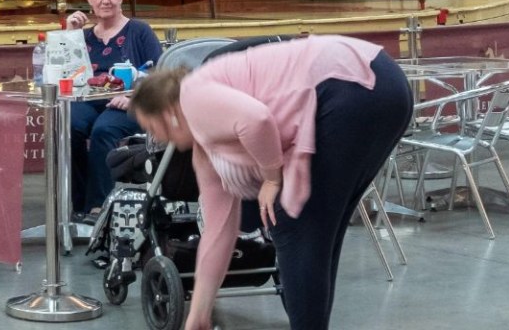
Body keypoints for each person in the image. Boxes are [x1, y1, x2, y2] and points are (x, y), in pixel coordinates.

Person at [128, 35, 414, 330]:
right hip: (382, 84)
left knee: (291, 220)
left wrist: (271, 177)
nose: (158, 139)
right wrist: (198, 314)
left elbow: (257, 120)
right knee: (316, 234)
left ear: (167, 113)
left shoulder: (192, 96)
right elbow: (218, 233)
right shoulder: (207, 151)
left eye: (152, 127)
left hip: (352, 82)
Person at [62, 0, 162, 219]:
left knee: (104, 130)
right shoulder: (83, 36)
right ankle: (78, 204)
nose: (105, 0)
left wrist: (134, 99)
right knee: (69, 125)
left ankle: (98, 206)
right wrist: (71, 35)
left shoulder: (139, 31)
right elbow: (67, 76)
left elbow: (160, 75)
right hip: (89, 100)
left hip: (129, 102)